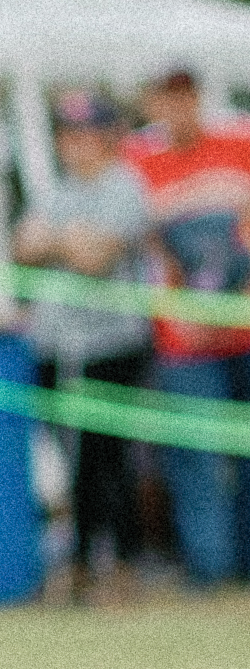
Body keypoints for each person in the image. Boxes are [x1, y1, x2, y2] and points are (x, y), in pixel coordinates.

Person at [14, 86, 156, 593]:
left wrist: (60, 241)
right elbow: (25, 245)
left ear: (106, 136)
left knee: (107, 457)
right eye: (68, 132)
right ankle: (79, 562)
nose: (75, 142)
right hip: (58, 343)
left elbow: (97, 258)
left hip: (112, 344)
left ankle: (121, 561)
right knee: (70, 460)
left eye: (85, 132)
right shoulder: (58, 189)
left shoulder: (125, 185)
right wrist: (69, 240)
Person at [129, 66, 250, 587]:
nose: (177, 108)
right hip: (183, 339)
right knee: (194, 455)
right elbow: (148, 250)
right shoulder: (137, 161)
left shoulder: (237, 144)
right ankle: (210, 571)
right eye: (166, 98)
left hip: (243, 327)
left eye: (185, 97)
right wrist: (184, 312)